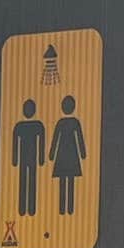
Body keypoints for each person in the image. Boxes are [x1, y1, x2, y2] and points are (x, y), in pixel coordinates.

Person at [46, 90, 87, 223]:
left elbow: (56, 140)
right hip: (71, 156)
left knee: (65, 182)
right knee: (68, 182)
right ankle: (67, 209)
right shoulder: (73, 122)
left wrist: (52, 155)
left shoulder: (62, 123)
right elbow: (78, 139)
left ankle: (66, 209)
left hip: (63, 157)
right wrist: (82, 153)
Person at [8, 97, 46, 218]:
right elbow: (15, 144)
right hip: (30, 159)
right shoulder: (34, 125)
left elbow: (41, 143)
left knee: (27, 181)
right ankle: (26, 209)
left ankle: (27, 209)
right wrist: (40, 159)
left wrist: (15, 160)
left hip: (27, 159)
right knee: (28, 181)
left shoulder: (29, 126)